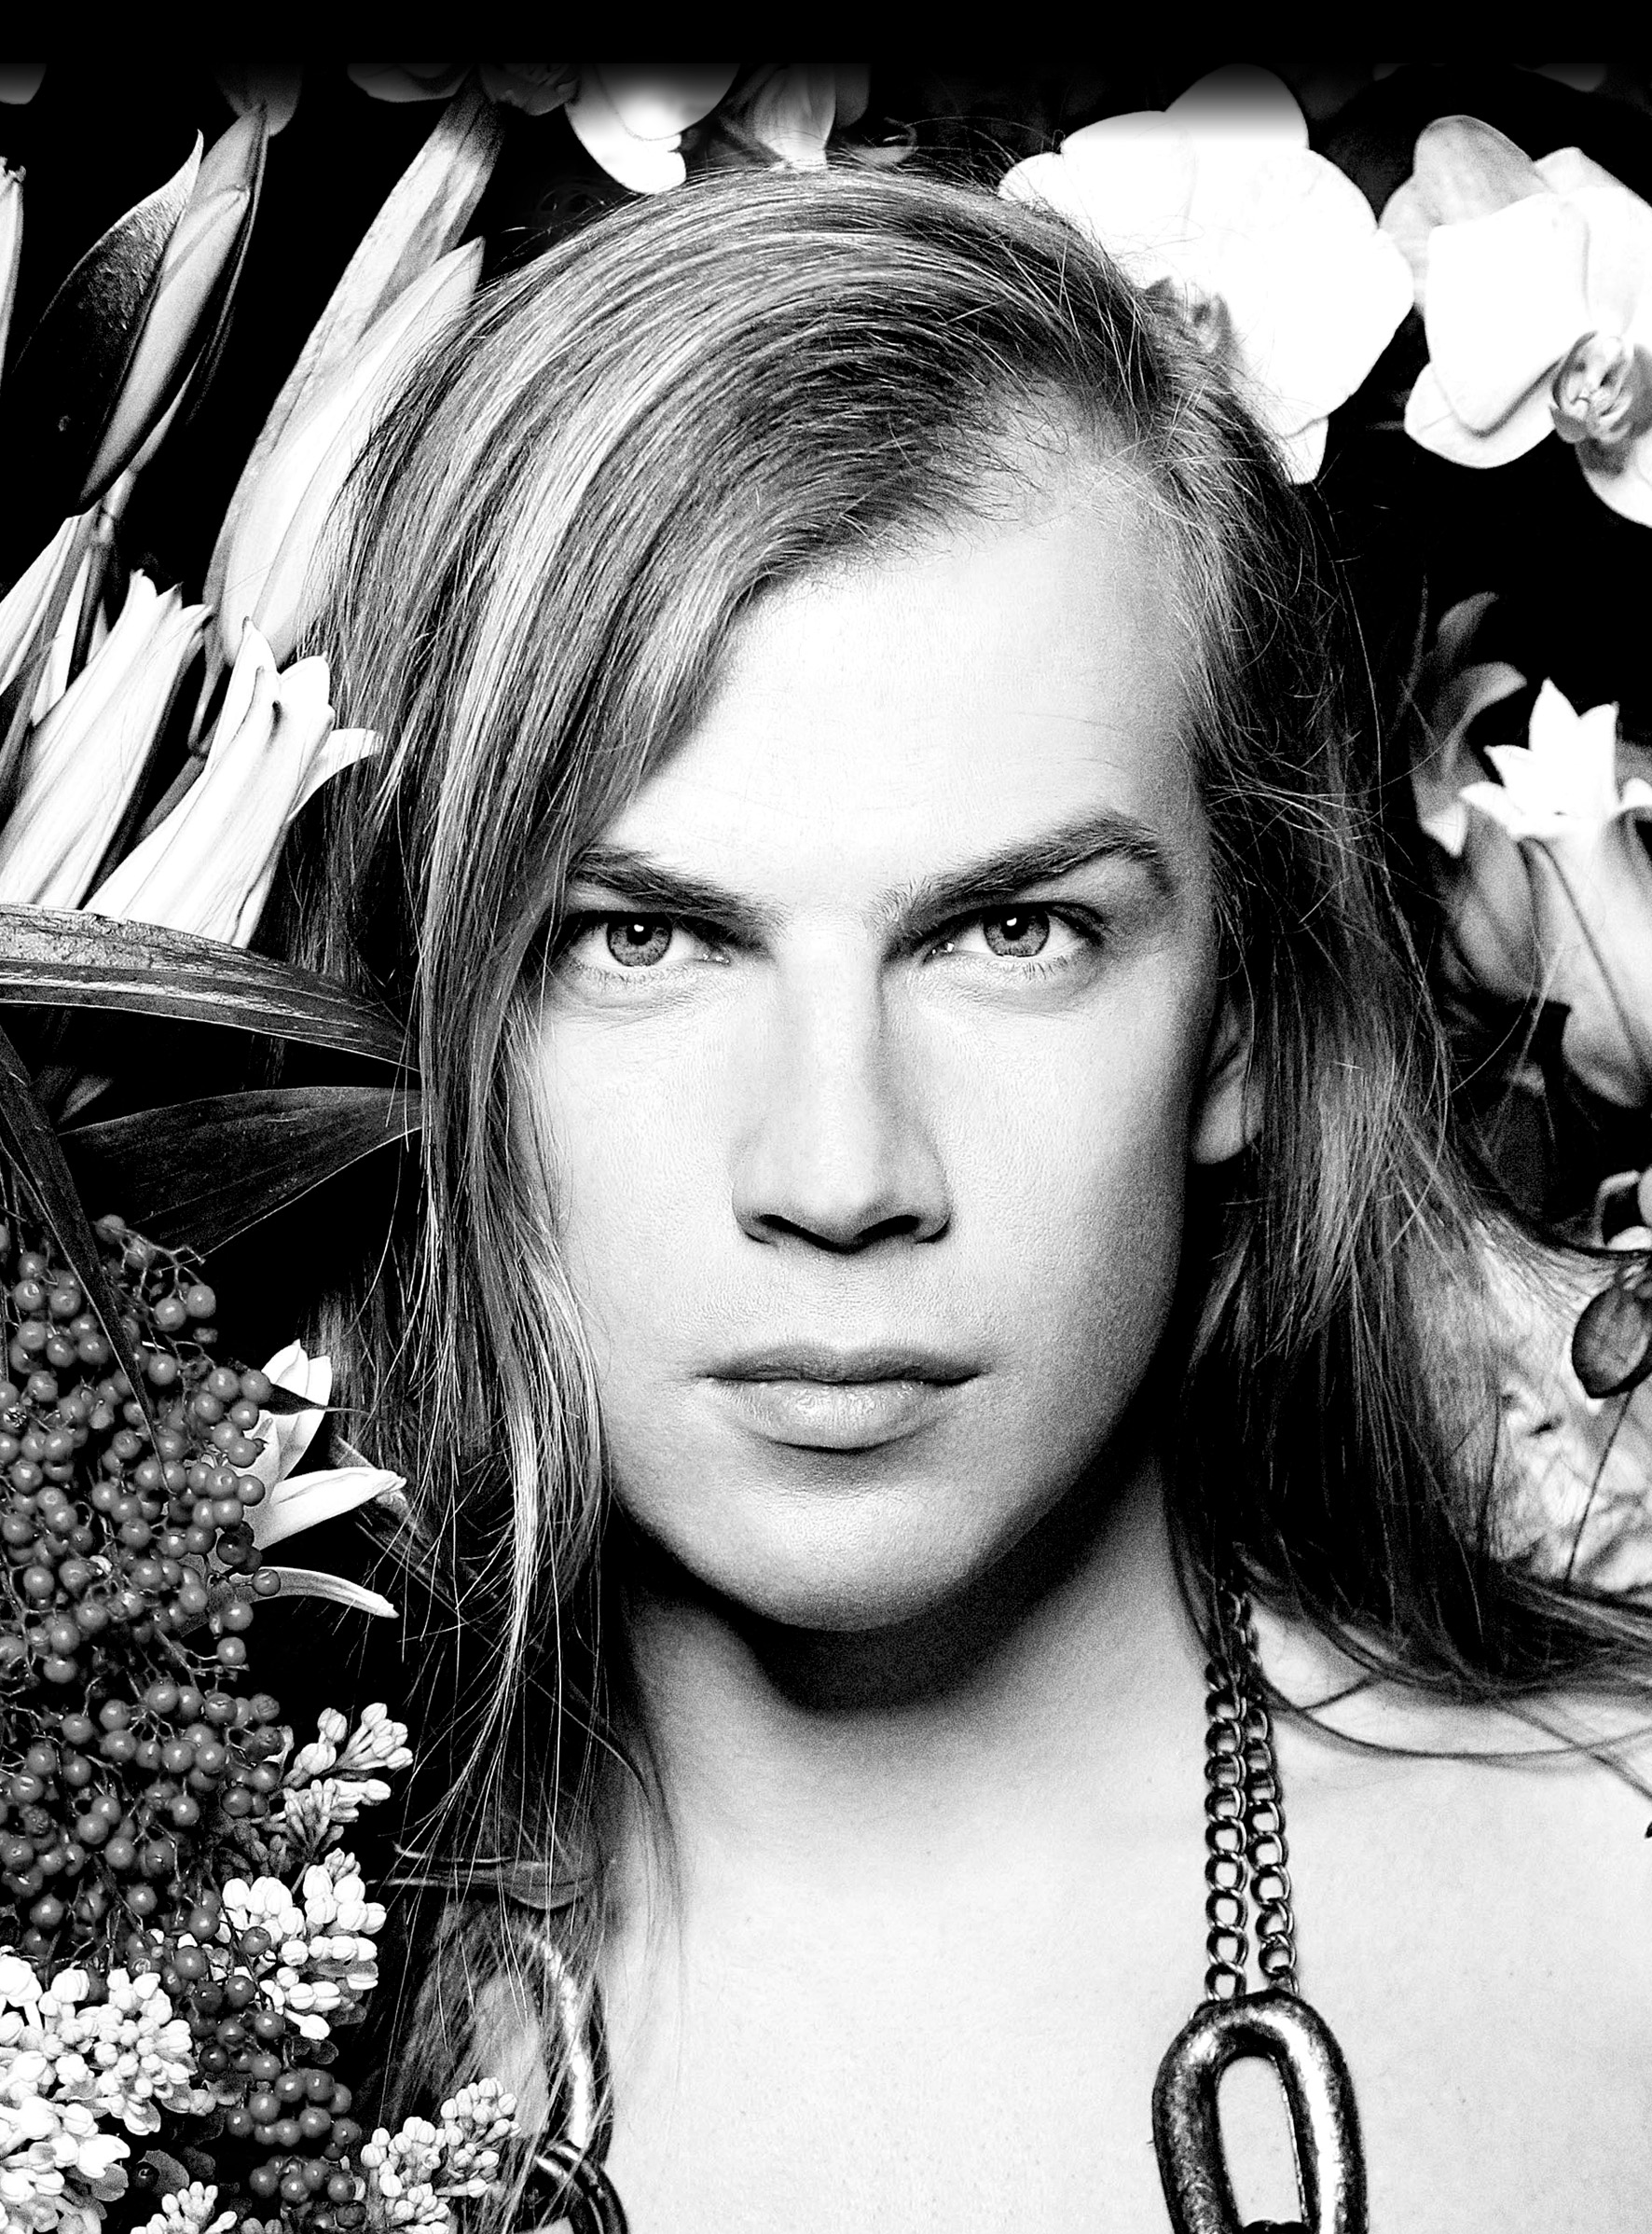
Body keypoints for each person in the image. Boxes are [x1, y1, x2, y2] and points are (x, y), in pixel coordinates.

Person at [284, 165, 1652, 2231]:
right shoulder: (164, 1974)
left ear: (1245, 1014)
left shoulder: (1613, 1907)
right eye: (642, 940)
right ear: (426, 1010)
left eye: (1012, 932)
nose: (838, 1177)